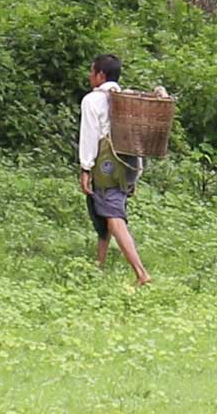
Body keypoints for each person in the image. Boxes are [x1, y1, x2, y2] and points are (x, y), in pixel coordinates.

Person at [79, 54, 152, 286]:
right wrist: (136, 173)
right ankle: (99, 264)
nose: (90, 76)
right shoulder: (126, 99)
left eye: (92, 72)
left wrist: (85, 168)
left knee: (113, 216)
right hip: (128, 163)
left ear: (101, 75)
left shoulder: (93, 100)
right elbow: (137, 139)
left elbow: (90, 135)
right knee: (105, 209)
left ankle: (141, 272)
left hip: (106, 164)